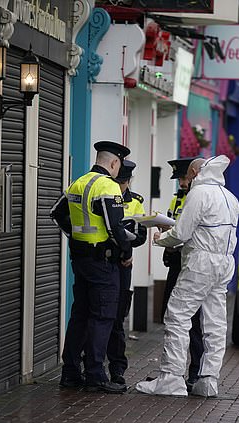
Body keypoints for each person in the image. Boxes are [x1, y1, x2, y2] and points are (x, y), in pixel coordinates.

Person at [136, 156, 239, 398]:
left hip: (200, 262)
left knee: (178, 316)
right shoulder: (230, 198)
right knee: (215, 323)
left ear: (195, 172)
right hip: (225, 262)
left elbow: (181, 232)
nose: (187, 178)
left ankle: (171, 378)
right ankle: (208, 380)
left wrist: (161, 239)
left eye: (189, 174)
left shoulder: (199, 193)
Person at [50, 140, 133, 394]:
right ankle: (95, 375)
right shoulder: (108, 186)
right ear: (114, 162)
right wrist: (125, 253)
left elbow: (56, 213)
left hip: (80, 259)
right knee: (102, 316)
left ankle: (71, 373)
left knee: (80, 315)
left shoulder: (79, 182)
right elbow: (115, 227)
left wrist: (75, 236)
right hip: (102, 262)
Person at [160, 157, 204, 391]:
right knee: (172, 316)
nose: (181, 183)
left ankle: (195, 372)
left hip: (192, 265)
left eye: (184, 178)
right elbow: (174, 225)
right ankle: (172, 372)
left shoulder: (200, 199)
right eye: (179, 179)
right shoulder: (178, 198)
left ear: (194, 175)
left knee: (195, 321)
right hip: (176, 263)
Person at [106, 160, 148, 385]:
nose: (120, 186)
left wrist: (127, 248)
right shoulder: (104, 194)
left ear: (128, 181)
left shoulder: (136, 201)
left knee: (118, 318)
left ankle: (117, 368)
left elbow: (140, 236)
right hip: (105, 260)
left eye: (123, 182)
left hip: (123, 266)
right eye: (118, 181)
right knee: (100, 314)